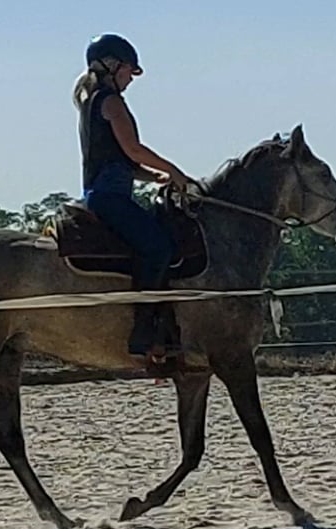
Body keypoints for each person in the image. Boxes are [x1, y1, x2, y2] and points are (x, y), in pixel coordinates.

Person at [72, 33, 191, 358]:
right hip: (110, 198)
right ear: (111, 66)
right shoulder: (111, 102)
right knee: (158, 247)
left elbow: (120, 161)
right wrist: (176, 171)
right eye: (128, 71)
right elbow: (134, 150)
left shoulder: (90, 103)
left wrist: (157, 177)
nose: (129, 79)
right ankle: (143, 334)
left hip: (102, 193)